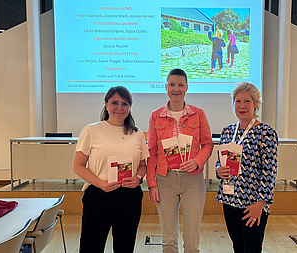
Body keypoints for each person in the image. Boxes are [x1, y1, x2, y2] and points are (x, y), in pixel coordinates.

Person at [73, 86, 149, 253]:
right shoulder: (91, 130)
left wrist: (138, 179)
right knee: (91, 247)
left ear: (129, 107)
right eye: (114, 102)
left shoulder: (137, 134)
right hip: (98, 196)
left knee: (125, 247)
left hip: (130, 197)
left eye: (124, 103)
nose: (119, 108)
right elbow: (78, 166)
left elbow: (143, 165)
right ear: (106, 104)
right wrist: (100, 183)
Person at [147, 68, 213, 253]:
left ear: (187, 87)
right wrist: (152, 184)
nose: (176, 89)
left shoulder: (198, 114)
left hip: (193, 179)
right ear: (166, 87)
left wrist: (197, 161)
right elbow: (152, 152)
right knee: (168, 239)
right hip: (165, 179)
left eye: (180, 85)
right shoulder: (156, 116)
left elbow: (207, 144)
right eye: (172, 84)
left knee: (192, 239)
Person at [215, 82, 278, 253]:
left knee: (252, 248)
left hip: (253, 204)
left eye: (247, 101)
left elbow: (270, 171)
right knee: (238, 247)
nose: (242, 106)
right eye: (238, 101)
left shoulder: (266, 132)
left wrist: (261, 203)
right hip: (230, 201)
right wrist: (218, 171)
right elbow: (220, 161)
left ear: (256, 104)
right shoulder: (227, 131)